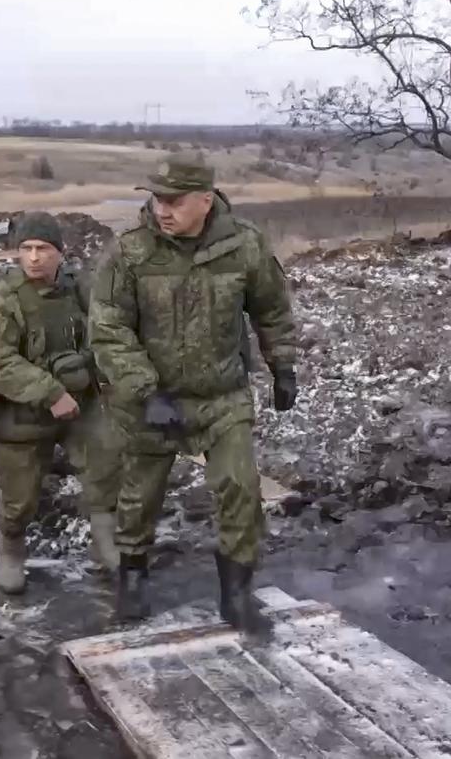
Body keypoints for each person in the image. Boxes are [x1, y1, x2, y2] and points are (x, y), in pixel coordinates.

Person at [88, 155, 299, 630]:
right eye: (157, 198)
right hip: (151, 397)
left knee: (241, 486)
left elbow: (271, 308)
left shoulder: (243, 245)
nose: (163, 209)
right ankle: (134, 578)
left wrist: (282, 364)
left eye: (175, 200)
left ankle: (237, 592)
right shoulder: (129, 252)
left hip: (221, 395)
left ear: (206, 199)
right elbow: (108, 328)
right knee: (140, 495)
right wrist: (145, 392)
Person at [0, 212, 121, 594]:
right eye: (26, 249)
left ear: (60, 252)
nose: (34, 257)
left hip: (81, 405)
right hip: (21, 412)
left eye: (43, 248)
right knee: (18, 496)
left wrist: (84, 365)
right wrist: (51, 391)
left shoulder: (80, 288)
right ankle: (10, 553)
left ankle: (107, 545)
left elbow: (108, 331)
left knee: (105, 465)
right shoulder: (1, 300)